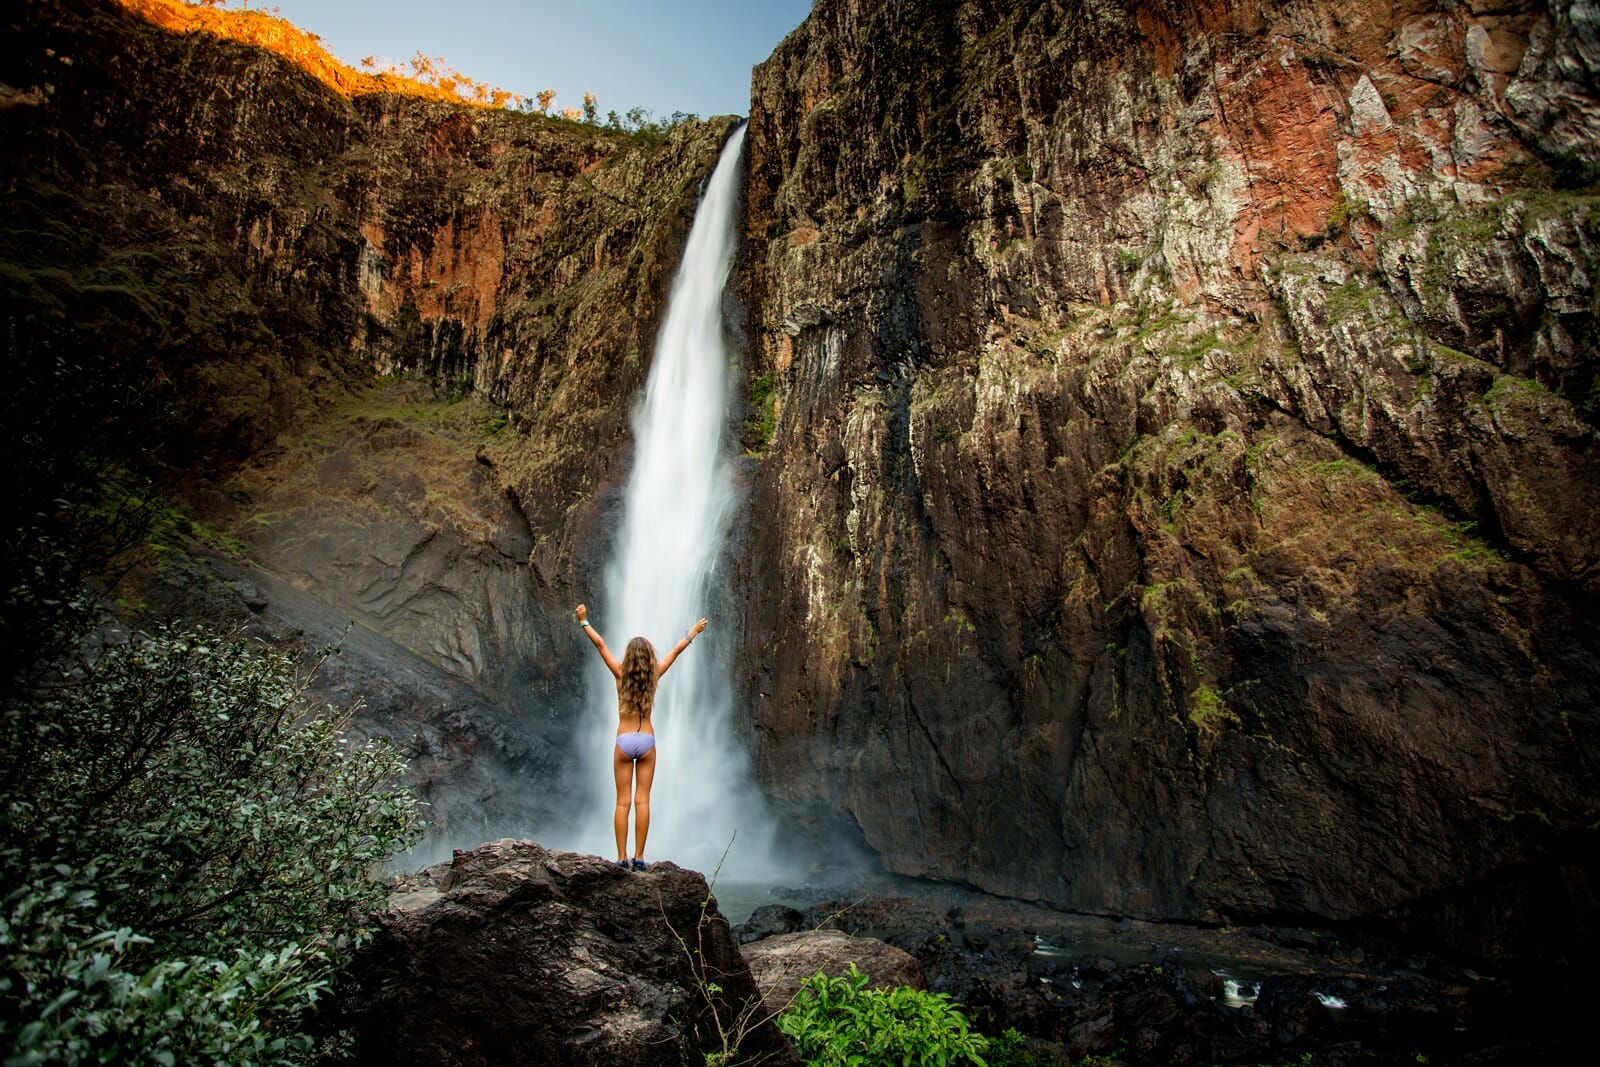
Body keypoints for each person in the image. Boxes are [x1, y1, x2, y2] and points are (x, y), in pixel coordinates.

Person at [574, 603, 708, 870]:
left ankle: (621, 859)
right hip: (646, 741)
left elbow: (601, 645)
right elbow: (676, 651)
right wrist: (693, 632)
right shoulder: (655, 674)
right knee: (642, 800)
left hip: (623, 741)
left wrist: (584, 621)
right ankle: (640, 857)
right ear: (648, 658)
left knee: (622, 802)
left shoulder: (620, 673)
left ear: (629, 657)